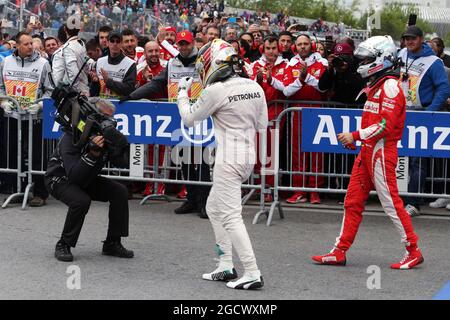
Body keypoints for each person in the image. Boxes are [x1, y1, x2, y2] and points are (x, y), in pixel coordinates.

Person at [312, 35, 424, 270]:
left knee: (391, 203)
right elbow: (375, 121)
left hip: (382, 153)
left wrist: (355, 135)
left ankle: (413, 250)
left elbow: (386, 125)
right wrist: (360, 140)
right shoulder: (377, 83)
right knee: (352, 202)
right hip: (368, 152)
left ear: (381, 59)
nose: (362, 63)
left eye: (366, 59)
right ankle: (339, 251)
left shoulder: (391, 86)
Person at [177, 38, 267, 290]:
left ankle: (252, 271)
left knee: (229, 215)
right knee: (214, 209)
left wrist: (183, 92)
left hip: (229, 157)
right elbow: (262, 125)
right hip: (248, 154)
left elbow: (189, 118)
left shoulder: (216, 90)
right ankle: (226, 265)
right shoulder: (254, 86)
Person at [120, 30, 211, 218]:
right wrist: (131, 95)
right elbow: (156, 85)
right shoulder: (172, 63)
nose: (184, 47)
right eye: (181, 44)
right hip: (179, 118)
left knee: (200, 162)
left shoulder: (202, 61)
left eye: (187, 43)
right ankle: (192, 200)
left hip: (200, 117)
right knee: (184, 161)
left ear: (193, 42)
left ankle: (204, 203)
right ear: (177, 45)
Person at [45, 98, 133, 262]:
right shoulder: (71, 136)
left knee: (119, 191)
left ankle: (112, 243)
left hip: (86, 177)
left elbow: (124, 164)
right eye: (105, 117)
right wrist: (92, 153)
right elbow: (74, 176)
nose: (109, 122)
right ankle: (63, 244)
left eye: (111, 118)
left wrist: (120, 146)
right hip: (59, 179)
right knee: (81, 200)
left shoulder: (104, 136)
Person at [398, 26, 450, 217]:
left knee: (417, 161)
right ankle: (399, 199)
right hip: (402, 111)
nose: (409, 42)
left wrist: (429, 112)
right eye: (406, 39)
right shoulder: (402, 54)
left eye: (412, 39)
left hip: (421, 113)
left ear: (421, 39)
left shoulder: (434, 62)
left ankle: (413, 202)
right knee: (398, 156)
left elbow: (444, 89)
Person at [0, 31, 54, 206]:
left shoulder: (43, 63)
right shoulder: (5, 62)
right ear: (17, 46)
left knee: (36, 155)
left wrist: (40, 105)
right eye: (26, 44)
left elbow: (50, 90)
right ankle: (19, 189)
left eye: (31, 43)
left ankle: (40, 192)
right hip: (12, 116)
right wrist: (3, 101)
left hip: (34, 117)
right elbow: (0, 86)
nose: (30, 46)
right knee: (12, 153)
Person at [282, 34, 328, 204]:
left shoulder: (322, 62)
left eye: (306, 44)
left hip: (316, 110)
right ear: (295, 46)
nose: (303, 47)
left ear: (311, 45)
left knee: (316, 152)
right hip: (297, 110)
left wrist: (307, 77)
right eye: (300, 44)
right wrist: (302, 80)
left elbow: (323, 87)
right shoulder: (291, 63)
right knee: (297, 153)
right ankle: (299, 190)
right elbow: (287, 90)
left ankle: (315, 191)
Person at [251, 35, 289, 201]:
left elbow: (287, 89)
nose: (271, 51)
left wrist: (270, 79)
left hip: (276, 113)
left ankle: (270, 188)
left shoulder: (287, 65)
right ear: (263, 49)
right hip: (257, 113)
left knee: (271, 153)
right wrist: (258, 79)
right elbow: (249, 86)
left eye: (274, 48)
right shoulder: (255, 65)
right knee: (257, 151)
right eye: (268, 48)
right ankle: (257, 187)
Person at [52, 15, 89, 96]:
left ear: (65, 29)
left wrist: (74, 93)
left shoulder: (67, 48)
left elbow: (58, 79)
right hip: (84, 91)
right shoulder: (82, 44)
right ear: (79, 28)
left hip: (73, 96)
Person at [94, 32, 136, 99]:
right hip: (102, 105)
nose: (115, 44)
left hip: (120, 105)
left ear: (121, 44)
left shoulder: (130, 64)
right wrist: (94, 82)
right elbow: (96, 89)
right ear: (107, 43)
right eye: (112, 41)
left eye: (118, 41)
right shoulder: (100, 61)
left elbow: (129, 89)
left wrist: (108, 81)